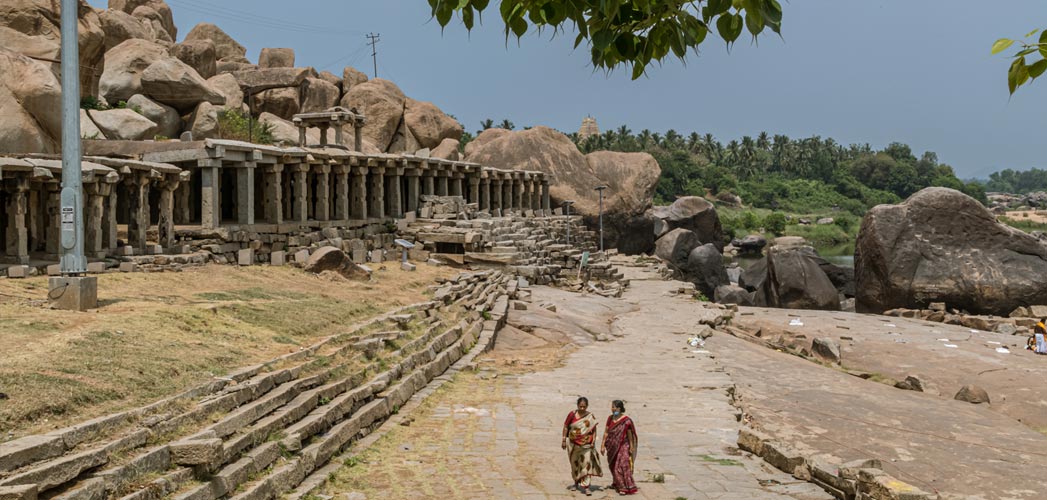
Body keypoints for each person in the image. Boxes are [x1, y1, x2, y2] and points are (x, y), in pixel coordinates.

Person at [562, 396, 602, 495]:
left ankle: (586, 486)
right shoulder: (572, 414)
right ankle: (576, 483)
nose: (582, 408)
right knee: (575, 464)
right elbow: (566, 426)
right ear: (577, 406)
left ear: (587, 406)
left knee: (586, 464)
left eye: (584, 407)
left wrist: (593, 441)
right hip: (573, 444)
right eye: (580, 406)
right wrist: (563, 439)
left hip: (586, 445)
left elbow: (593, 429)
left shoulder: (590, 416)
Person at [601, 400, 639, 495]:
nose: (613, 409)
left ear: (620, 408)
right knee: (613, 465)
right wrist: (602, 445)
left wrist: (631, 446)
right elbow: (606, 432)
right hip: (611, 446)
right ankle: (617, 483)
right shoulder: (610, 419)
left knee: (622, 465)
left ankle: (624, 486)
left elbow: (629, 433)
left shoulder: (626, 421)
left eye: (615, 407)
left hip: (623, 445)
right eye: (612, 407)